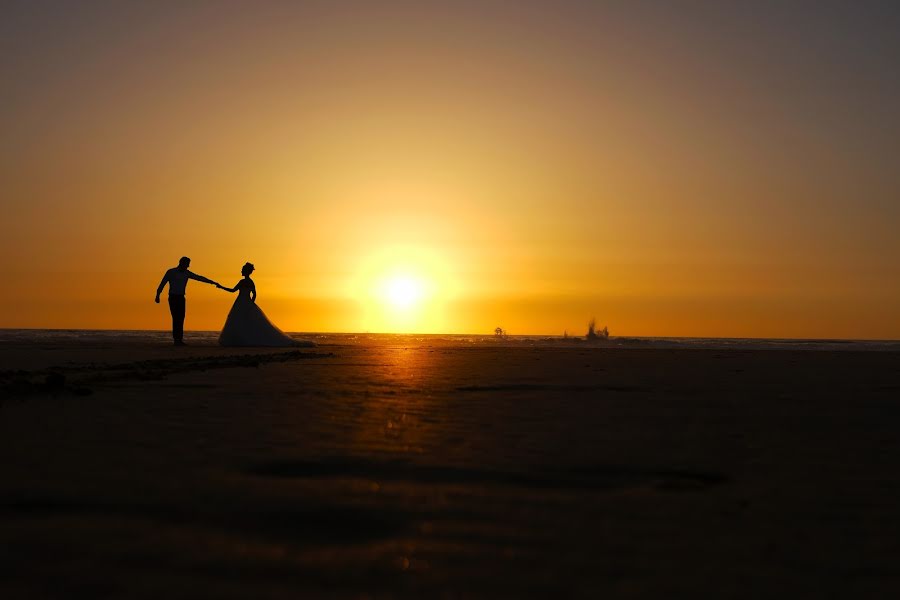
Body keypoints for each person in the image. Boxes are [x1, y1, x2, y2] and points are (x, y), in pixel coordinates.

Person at [216, 262, 314, 347]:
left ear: (246, 271)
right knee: (243, 322)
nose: (241, 271)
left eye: (242, 270)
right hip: (246, 303)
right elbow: (254, 294)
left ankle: (241, 340)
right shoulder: (249, 282)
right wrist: (251, 303)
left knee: (240, 321)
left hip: (241, 302)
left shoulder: (244, 282)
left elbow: (233, 290)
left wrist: (221, 287)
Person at [155, 256, 220, 346]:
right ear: (182, 263)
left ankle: (179, 340)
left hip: (181, 297)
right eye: (187, 264)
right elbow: (162, 283)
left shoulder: (187, 273)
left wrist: (212, 282)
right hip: (173, 297)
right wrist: (157, 295)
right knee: (175, 318)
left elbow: (199, 278)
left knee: (181, 318)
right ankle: (176, 340)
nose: (188, 266)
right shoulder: (171, 272)